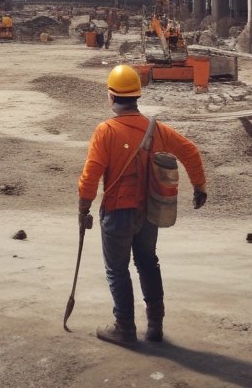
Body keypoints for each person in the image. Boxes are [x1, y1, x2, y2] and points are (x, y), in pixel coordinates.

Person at [77, 64, 208, 346]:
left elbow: (92, 174)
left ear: (111, 97)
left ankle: (124, 327)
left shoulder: (106, 131)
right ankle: (154, 327)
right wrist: (199, 186)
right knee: (148, 262)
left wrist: (83, 206)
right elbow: (190, 151)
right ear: (137, 95)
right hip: (149, 212)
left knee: (117, 269)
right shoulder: (155, 129)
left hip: (117, 212)